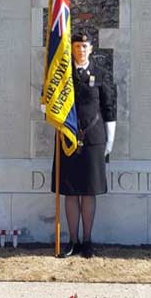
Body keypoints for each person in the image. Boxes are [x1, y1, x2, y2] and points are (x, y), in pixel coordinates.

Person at [51, 31, 116, 258]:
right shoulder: (62, 75)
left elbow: (109, 108)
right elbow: (48, 100)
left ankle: (87, 241)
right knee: (70, 192)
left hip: (93, 140)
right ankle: (73, 242)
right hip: (68, 139)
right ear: (72, 49)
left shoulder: (100, 74)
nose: (81, 50)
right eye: (77, 46)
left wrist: (110, 140)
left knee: (88, 192)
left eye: (85, 46)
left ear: (91, 49)